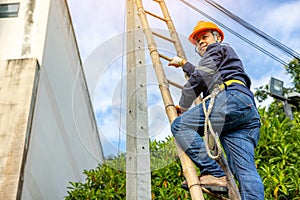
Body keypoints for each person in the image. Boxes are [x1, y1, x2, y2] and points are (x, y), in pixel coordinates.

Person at [168, 21, 264, 199]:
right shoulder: (222, 56)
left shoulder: (218, 48)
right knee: (244, 172)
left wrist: (183, 104)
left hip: (229, 99)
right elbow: (204, 73)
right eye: (197, 41)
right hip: (244, 110)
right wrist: (183, 63)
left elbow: (200, 76)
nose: (201, 42)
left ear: (217, 37)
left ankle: (215, 174)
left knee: (180, 126)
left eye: (204, 37)